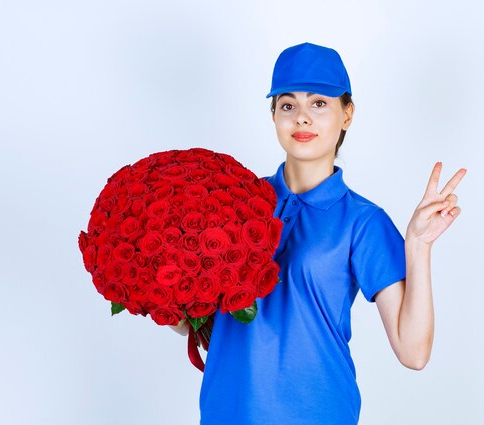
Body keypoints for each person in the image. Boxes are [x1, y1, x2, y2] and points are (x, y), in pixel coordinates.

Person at [170, 41, 466, 425]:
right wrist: (158, 286)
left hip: (319, 412)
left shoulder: (362, 221)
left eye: (319, 104)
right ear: (274, 114)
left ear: (347, 114)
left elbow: (413, 352)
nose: (302, 119)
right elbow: (196, 324)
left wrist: (420, 246)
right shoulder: (234, 202)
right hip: (227, 411)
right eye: (288, 105)